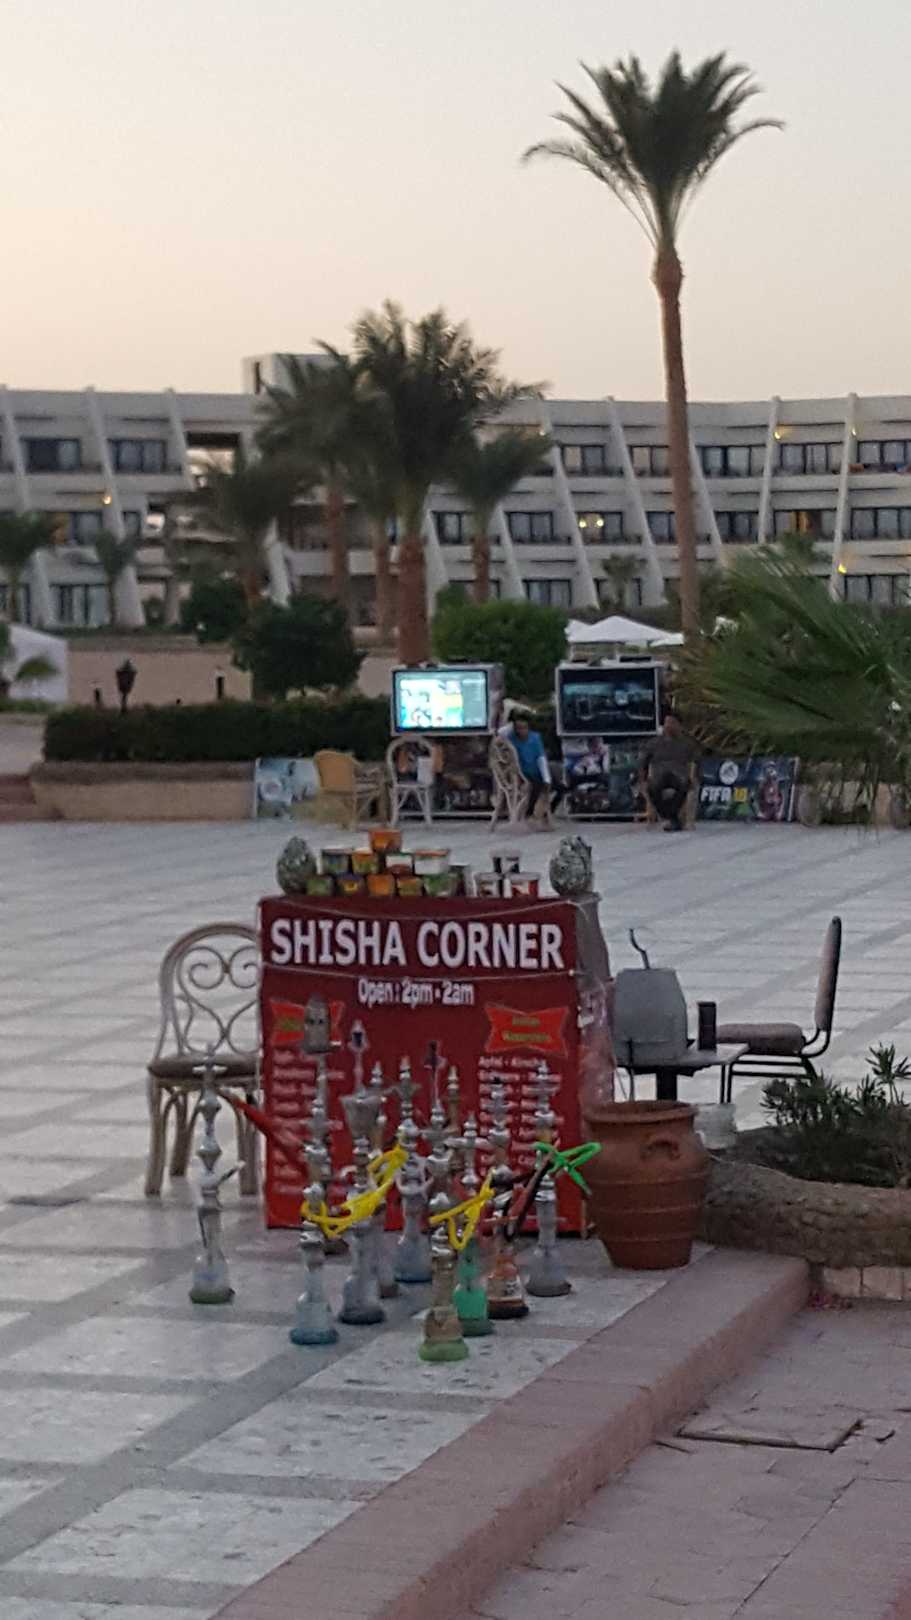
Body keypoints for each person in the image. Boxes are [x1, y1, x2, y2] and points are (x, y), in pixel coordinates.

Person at [498, 713, 565, 826]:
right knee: (535, 785)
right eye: (519, 728)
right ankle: (529, 813)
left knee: (561, 787)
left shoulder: (535, 738)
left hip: (536, 770)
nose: (522, 731)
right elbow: (500, 733)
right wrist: (511, 725)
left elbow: (541, 758)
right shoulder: (512, 738)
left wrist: (546, 778)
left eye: (524, 728)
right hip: (522, 773)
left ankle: (546, 812)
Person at [639, 714, 697, 832]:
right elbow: (643, 762)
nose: (668, 726)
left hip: (679, 776)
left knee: (685, 787)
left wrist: (695, 777)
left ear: (679, 726)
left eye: (672, 723)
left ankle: (670, 818)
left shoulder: (688, 744)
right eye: (666, 723)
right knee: (651, 788)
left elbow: (696, 762)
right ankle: (672, 818)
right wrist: (643, 779)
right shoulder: (654, 743)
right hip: (659, 776)